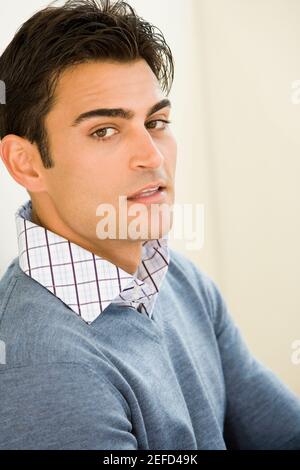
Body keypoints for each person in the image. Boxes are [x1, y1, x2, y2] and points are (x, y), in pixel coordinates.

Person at [0, 0, 299, 450]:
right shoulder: (41, 365)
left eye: (156, 122)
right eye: (105, 130)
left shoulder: (177, 280)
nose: (153, 156)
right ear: (27, 164)